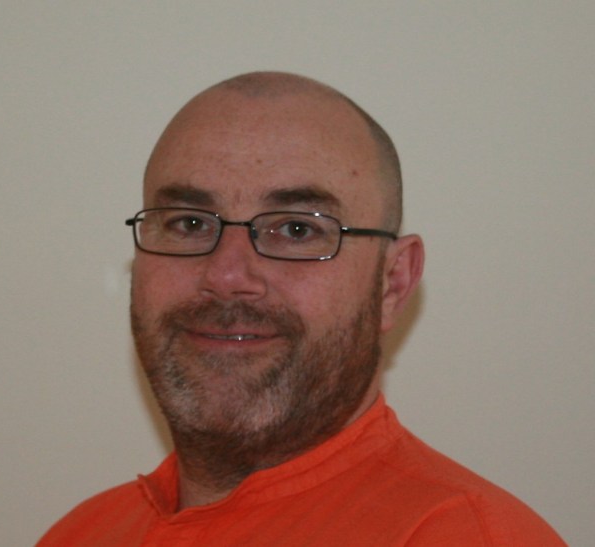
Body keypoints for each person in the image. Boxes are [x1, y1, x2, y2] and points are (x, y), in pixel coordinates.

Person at [38, 72, 565, 546]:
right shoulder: (81, 532)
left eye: (296, 229)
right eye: (189, 224)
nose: (227, 276)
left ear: (392, 283)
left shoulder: (466, 536)